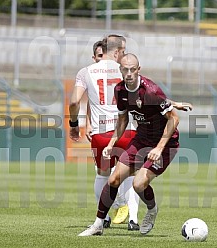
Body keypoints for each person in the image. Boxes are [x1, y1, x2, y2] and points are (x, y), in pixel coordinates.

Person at [78, 53, 189, 237]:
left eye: (132, 69)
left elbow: (174, 120)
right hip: (141, 139)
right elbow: (122, 120)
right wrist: (112, 143)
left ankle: (152, 211)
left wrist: (159, 148)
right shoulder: (120, 90)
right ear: (120, 70)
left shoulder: (151, 90)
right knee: (113, 179)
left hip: (166, 144)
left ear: (138, 70)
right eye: (125, 69)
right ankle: (98, 225)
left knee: (138, 184)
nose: (129, 73)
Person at [69, 36, 140, 230]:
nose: (124, 55)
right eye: (123, 51)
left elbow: (75, 102)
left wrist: (74, 124)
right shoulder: (127, 70)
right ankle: (133, 219)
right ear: (117, 52)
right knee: (131, 174)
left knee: (102, 175)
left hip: (101, 133)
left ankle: (104, 217)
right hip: (126, 131)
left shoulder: (85, 72)